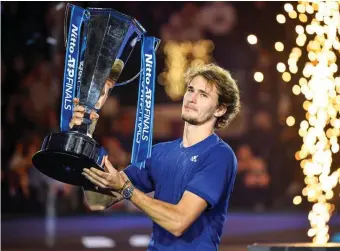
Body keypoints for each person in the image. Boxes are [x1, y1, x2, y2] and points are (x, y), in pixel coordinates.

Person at [70, 63, 241, 251]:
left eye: (203, 95)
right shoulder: (159, 153)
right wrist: (84, 132)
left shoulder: (219, 155)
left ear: (220, 110)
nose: (192, 98)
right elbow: (96, 201)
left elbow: (179, 222)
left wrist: (128, 190)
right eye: (190, 90)